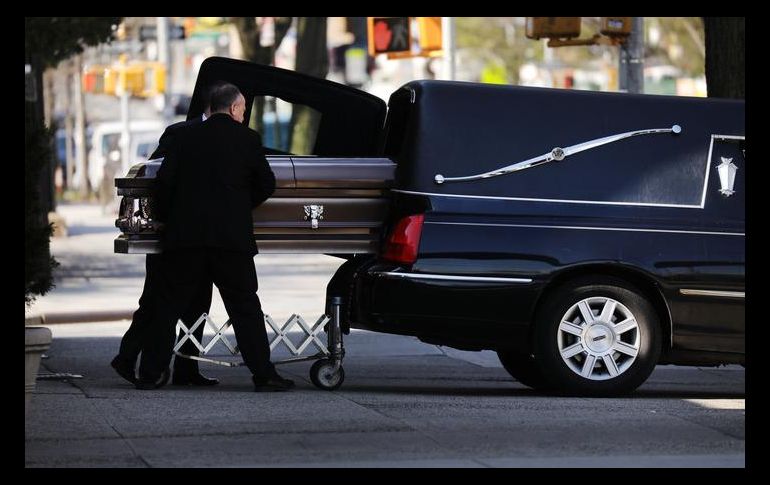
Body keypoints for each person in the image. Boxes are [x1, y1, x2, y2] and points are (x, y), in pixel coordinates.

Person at [136, 82, 294, 392]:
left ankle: (151, 373)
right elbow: (267, 183)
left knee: (167, 306)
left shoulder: (185, 136)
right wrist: (237, 207)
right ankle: (263, 374)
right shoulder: (247, 139)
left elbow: (164, 184)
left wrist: (176, 216)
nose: (243, 115)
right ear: (235, 108)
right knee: (245, 307)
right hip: (230, 240)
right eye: (243, 110)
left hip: (186, 237)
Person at [111, 84, 226, 388]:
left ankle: (185, 368)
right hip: (172, 233)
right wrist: (168, 219)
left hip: (201, 233)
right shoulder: (179, 133)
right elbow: (157, 179)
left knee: (198, 301)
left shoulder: (226, 135)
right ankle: (133, 359)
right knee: (157, 302)